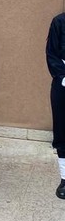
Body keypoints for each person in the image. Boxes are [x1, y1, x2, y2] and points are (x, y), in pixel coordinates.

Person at [46, 10, 65, 198]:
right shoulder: (59, 21)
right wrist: (63, 76)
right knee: (62, 130)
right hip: (63, 82)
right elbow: (51, 53)